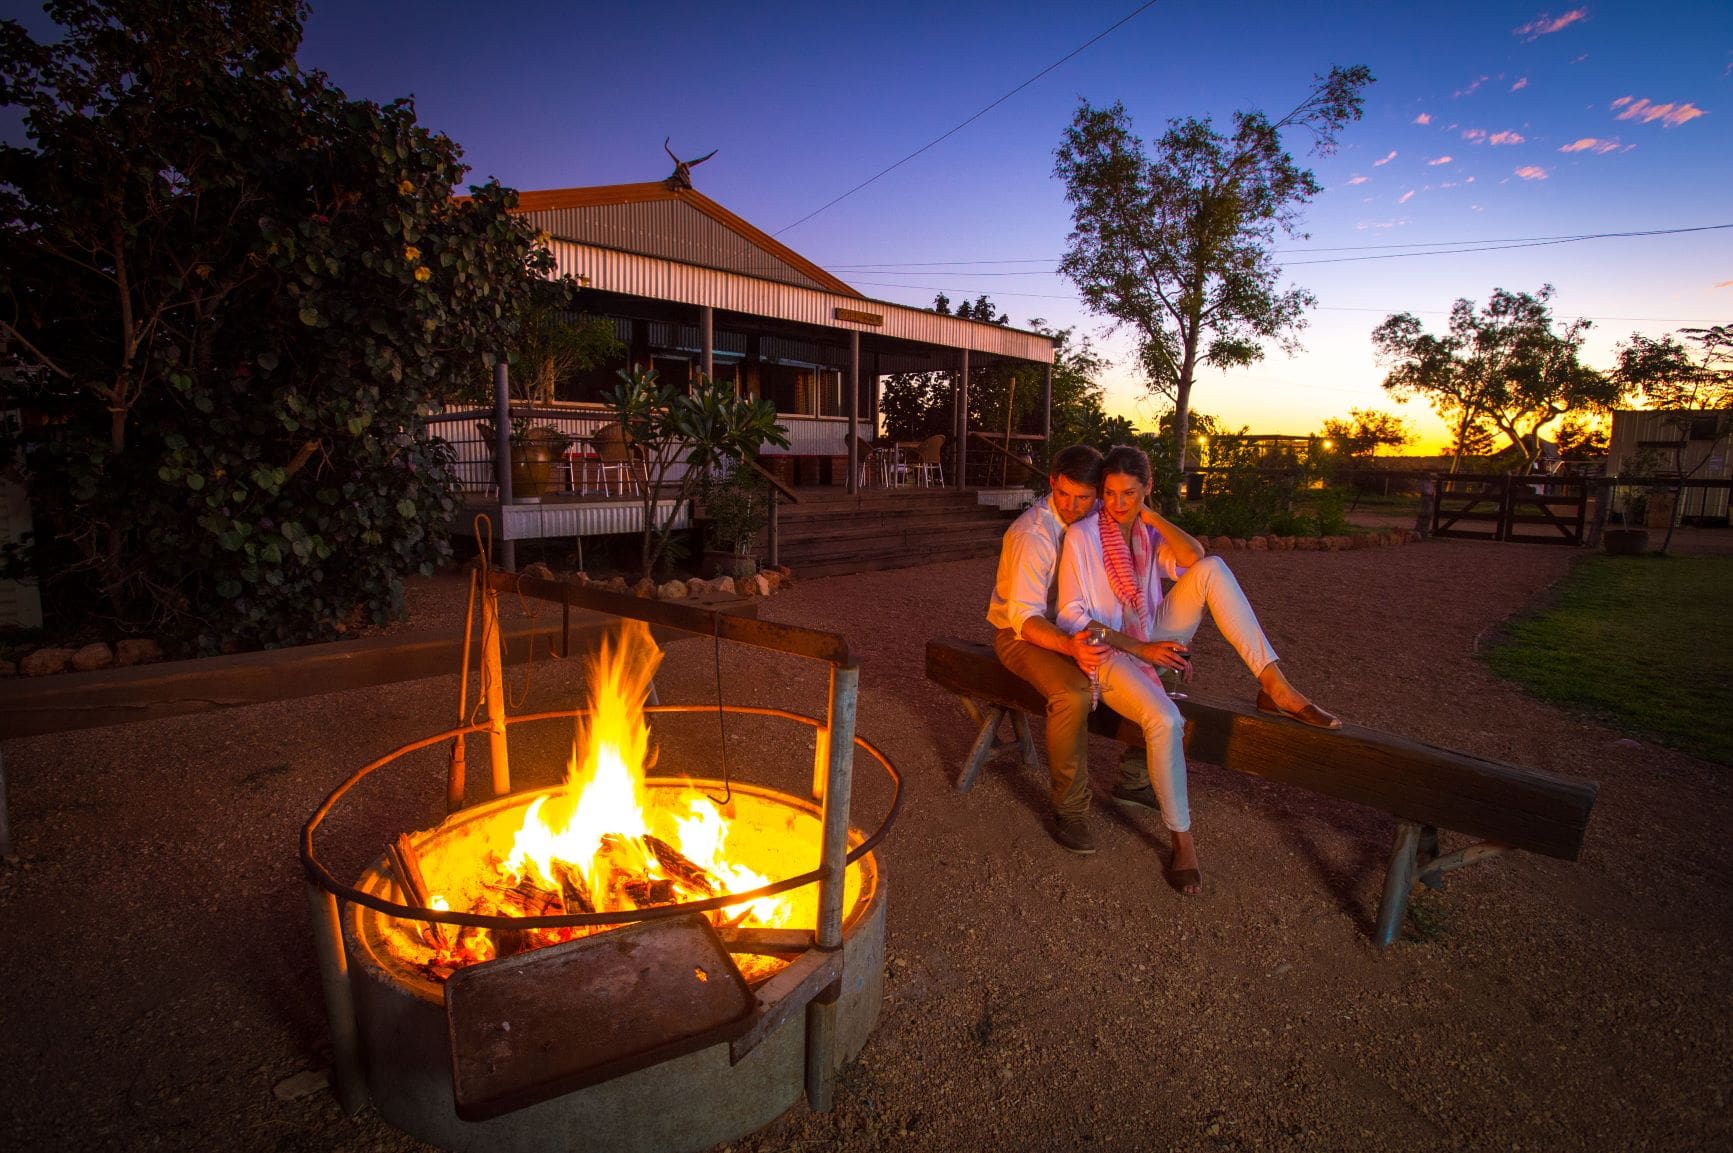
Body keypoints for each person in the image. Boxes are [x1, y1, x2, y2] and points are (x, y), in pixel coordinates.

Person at [1056, 445, 1340, 894]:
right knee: (1166, 720)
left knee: (1213, 568)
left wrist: (1149, 519)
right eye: (1109, 493)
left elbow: (1192, 556)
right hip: (1108, 650)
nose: (1118, 504)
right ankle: (1182, 841)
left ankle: (1274, 684)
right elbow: (1071, 617)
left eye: (1130, 493)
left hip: (1148, 631)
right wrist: (1141, 649)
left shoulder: (1146, 531)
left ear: (1147, 489)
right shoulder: (1083, 537)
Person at [987, 444, 1157, 856]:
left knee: (1157, 669)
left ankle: (1134, 778)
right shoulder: (1034, 536)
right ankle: (1071, 809)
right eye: (1065, 494)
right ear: (1052, 482)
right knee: (1072, 693)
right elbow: (1025, 618)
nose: (1074, 506)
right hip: (1023, 635)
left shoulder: (1101, 522)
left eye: (1085, 498)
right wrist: (1069, 646)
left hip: (1078, 627)